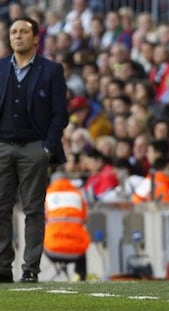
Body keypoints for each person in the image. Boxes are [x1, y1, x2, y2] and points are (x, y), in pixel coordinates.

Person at [0, 17, 68, 283]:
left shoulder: (51, 70)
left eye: (24, 31)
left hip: (34, 147)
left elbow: (60, 113)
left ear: (36, 38)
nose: (17, 35)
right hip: (3, 145)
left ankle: (30, 268)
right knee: (0, 208)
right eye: (14, 31)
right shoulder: (1, 68)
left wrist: (47, 148)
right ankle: (3, 267)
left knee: (33, 210)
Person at [43, 175, 90, 281]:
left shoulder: (48, 194)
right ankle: (81, 274)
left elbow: (41, 218)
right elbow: (85, 218)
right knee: (81, 240)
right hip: (76, 251)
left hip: (53, 249)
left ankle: (32, 271)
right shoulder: (78, 194)